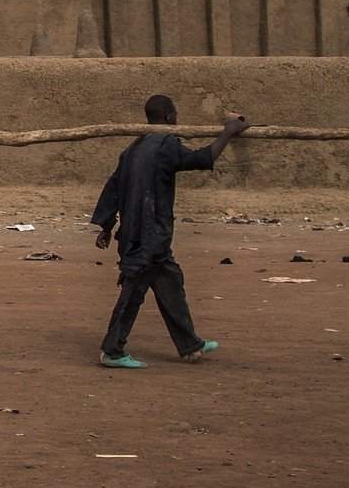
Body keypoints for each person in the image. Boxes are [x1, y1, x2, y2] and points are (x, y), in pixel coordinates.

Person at [91, 95, 248, 367]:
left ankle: (190, 345)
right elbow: (203, 158)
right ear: (167, 116)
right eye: (175, 114)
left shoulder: (133, 147)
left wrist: (107, 226)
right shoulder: (164, 144)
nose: (177, 119)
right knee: (133, 291)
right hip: (149, 236)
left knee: (170, 281)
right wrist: (228, 132)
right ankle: (112, 351)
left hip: (143, 234)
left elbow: (112, 187)